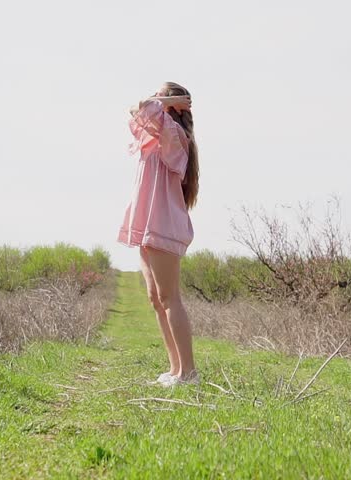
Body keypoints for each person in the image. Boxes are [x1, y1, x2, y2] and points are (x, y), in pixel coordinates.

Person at [117, 81, 200, 387]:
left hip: (164, 224)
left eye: (162, 94)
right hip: (148, 224)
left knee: (169, 297)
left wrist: (169, 100)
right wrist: (166, 100)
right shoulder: (152, 136)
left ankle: (189, 373)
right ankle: (175, 369)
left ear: (174, 105)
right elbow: (136, 110)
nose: (156, 98)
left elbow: (144, 106)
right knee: (155, 298)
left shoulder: (174, 136)